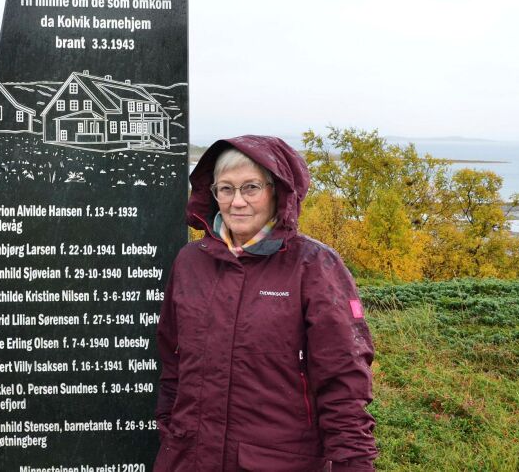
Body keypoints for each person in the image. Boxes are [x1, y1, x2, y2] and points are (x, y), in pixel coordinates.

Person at [154, 135, 377, 471]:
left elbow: (343, 381)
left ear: (278, 192)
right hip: (191, 460)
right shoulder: (190, 262)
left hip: (278, 461)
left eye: (251, 188)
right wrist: (171, 430)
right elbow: (173, 363)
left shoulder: (314, 266)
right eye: (225, 189)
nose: (237, 202)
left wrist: (354, 464)